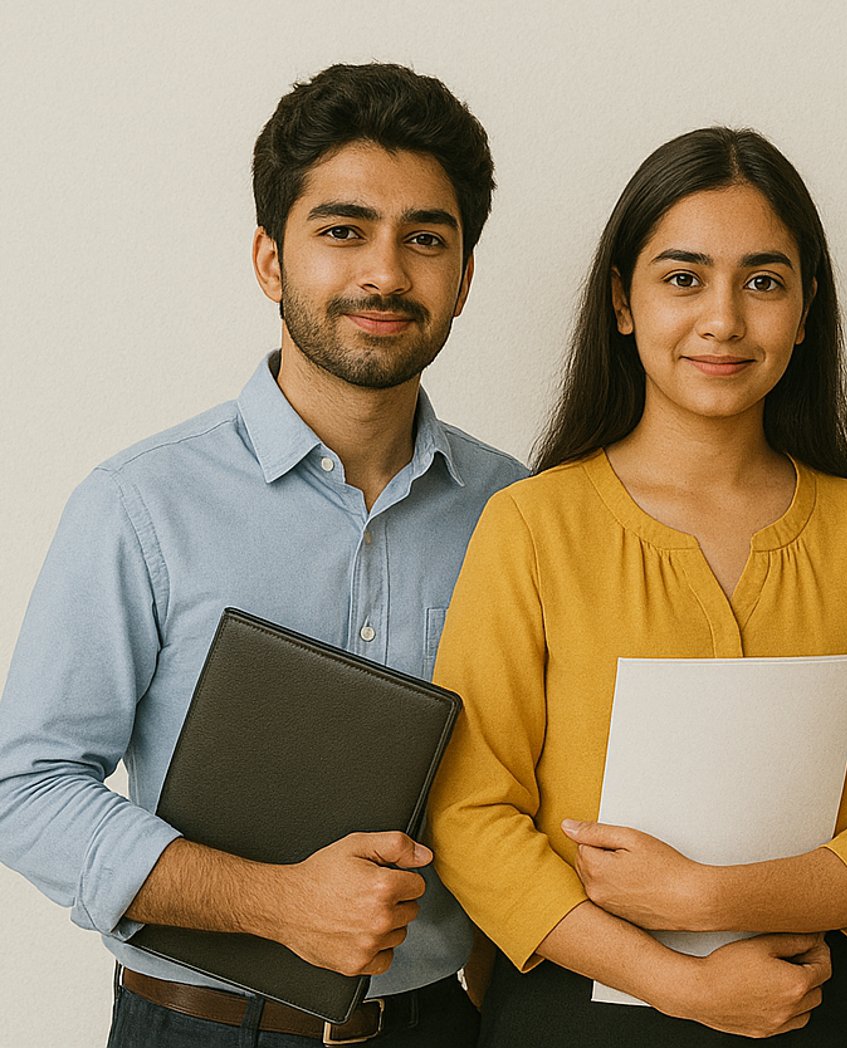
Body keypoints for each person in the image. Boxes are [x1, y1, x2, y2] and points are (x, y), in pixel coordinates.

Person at [0, 63, 526, 1046]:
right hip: (196, 1025)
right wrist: (275, 900)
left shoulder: (521, 510)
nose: (384, 272)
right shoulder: (142, 503)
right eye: (342, 230)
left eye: (426, 238)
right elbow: (24, 791)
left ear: (463, 276)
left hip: (437, 1026)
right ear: (269, 260)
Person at [425, 125, 847, 1046]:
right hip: (575, 1010)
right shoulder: (531, 526)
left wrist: (708, 894)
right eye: (683, 278)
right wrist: (679, 982)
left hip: (825, 1007)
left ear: (805, 308)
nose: (723, 319)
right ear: (623, 303)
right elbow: (473, 816)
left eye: (763, 281)